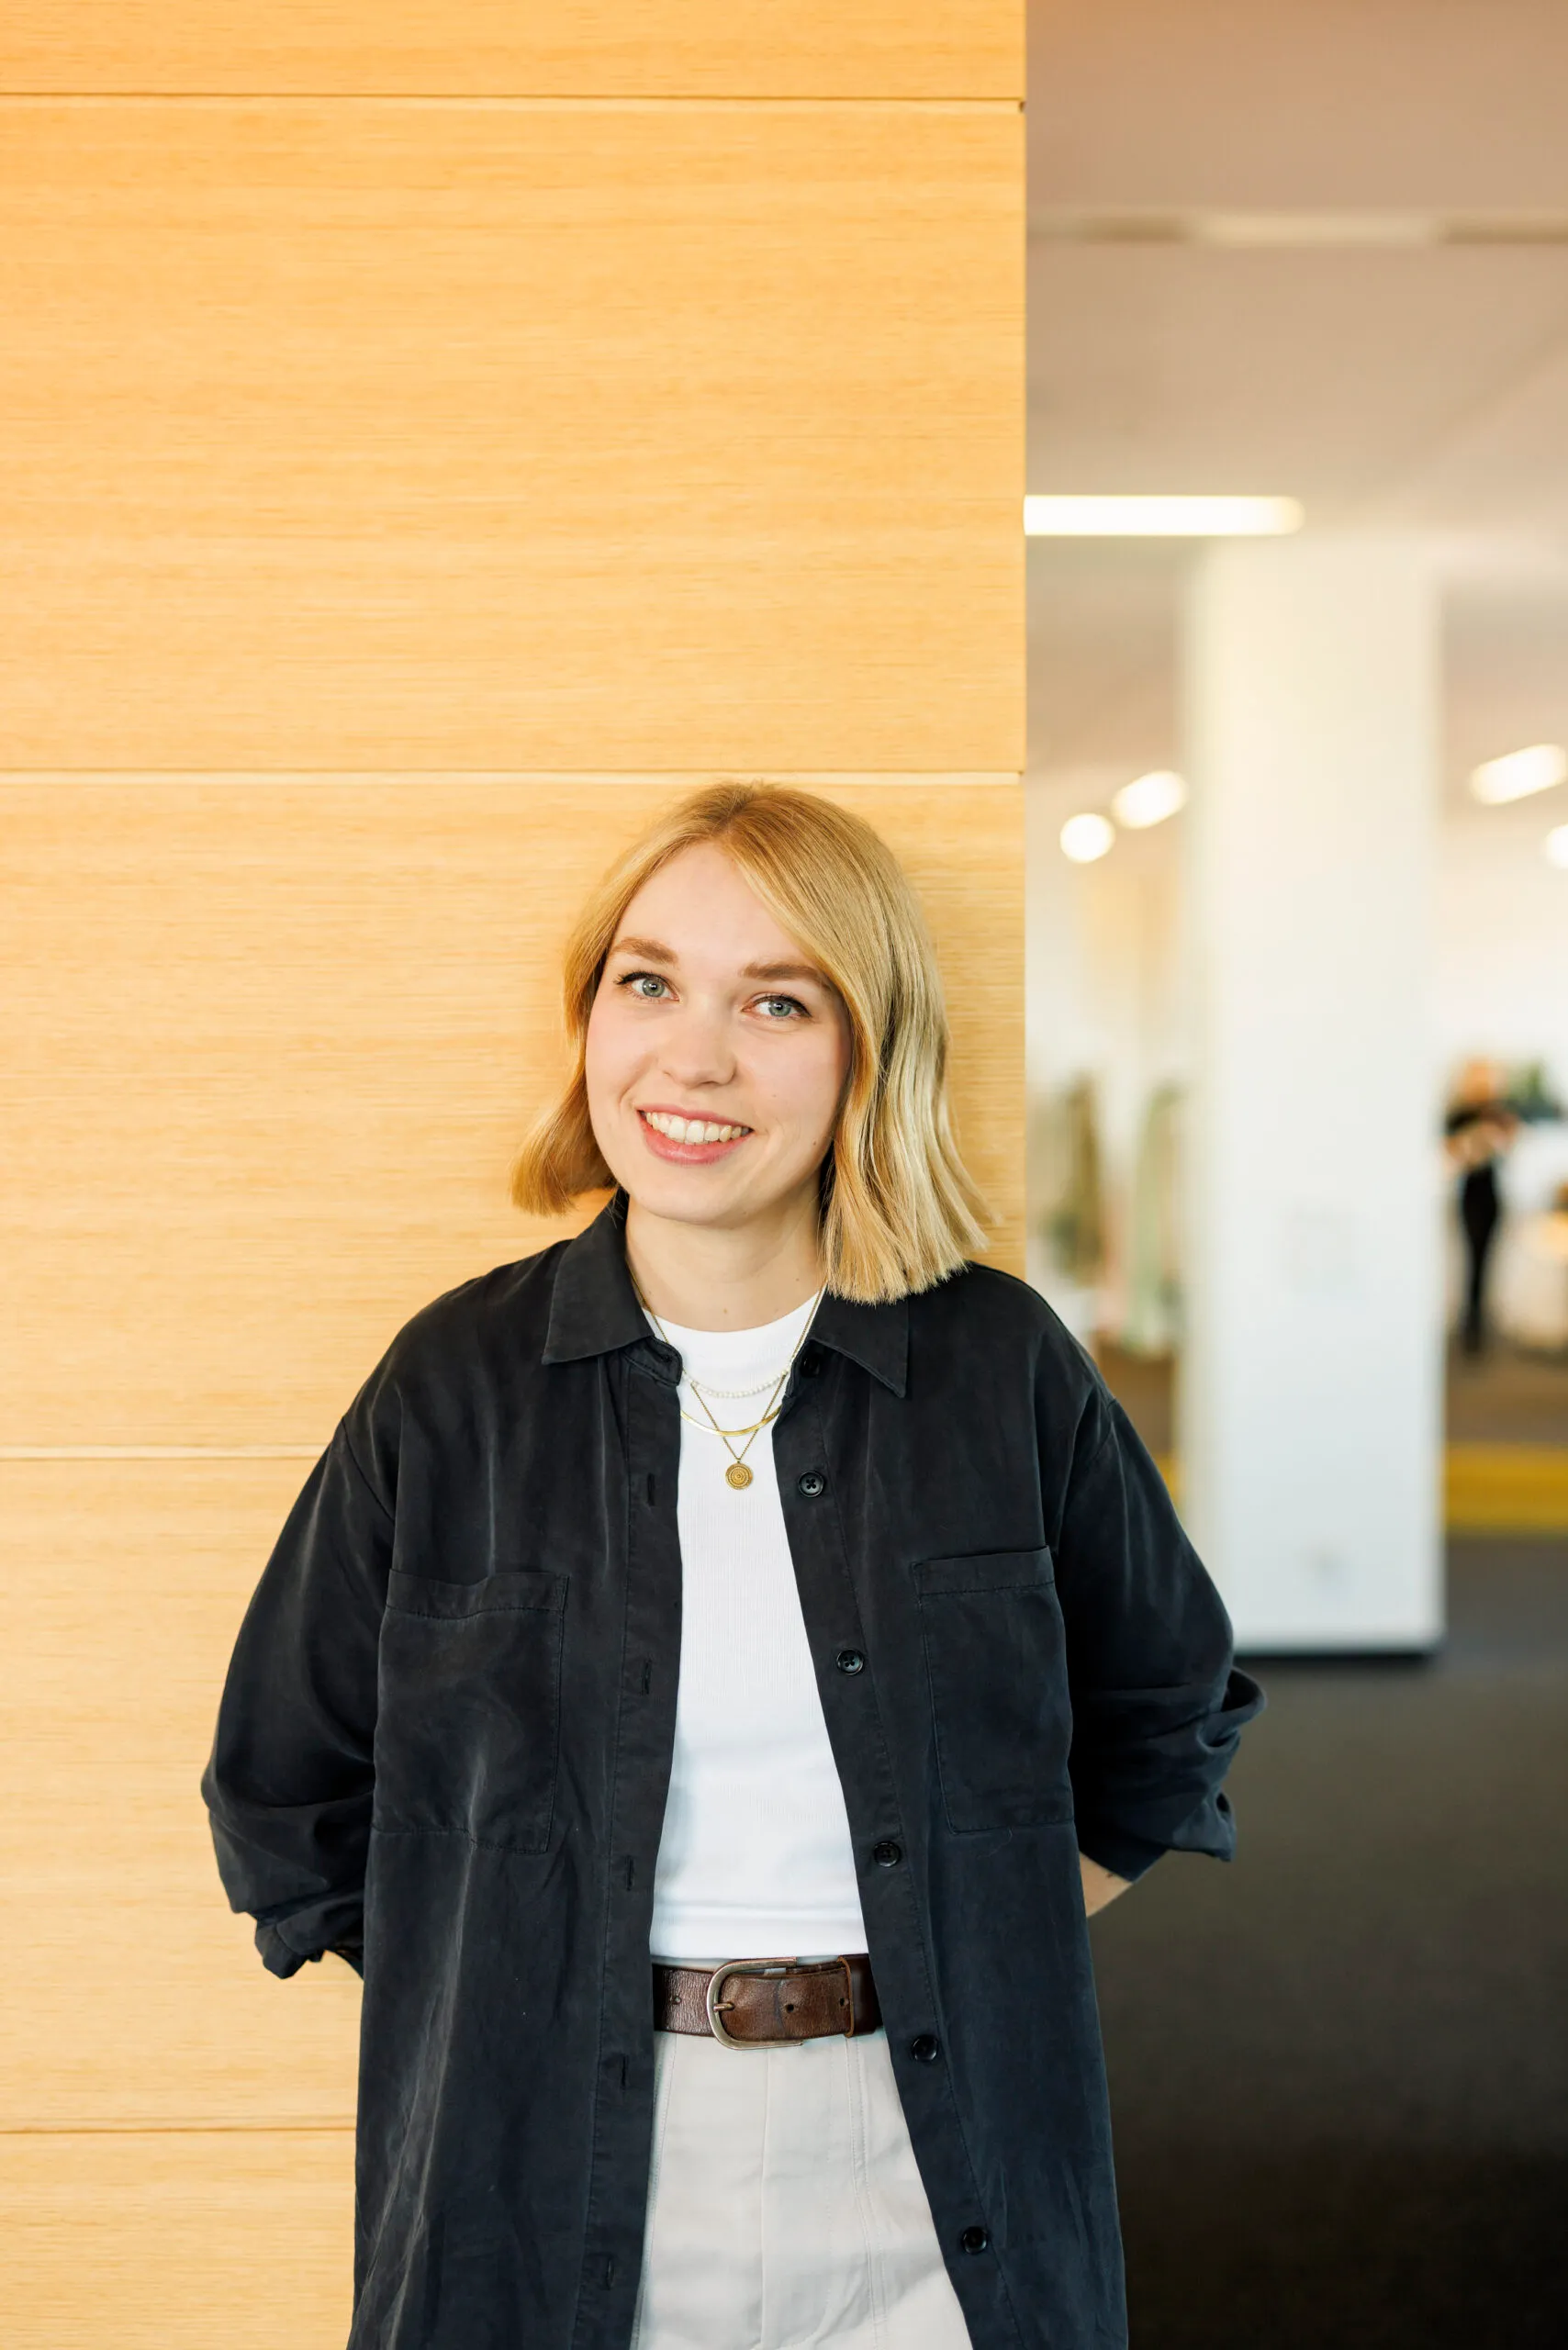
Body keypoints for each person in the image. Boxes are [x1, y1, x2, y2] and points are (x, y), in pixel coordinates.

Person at [201, 783, 1262, 2350]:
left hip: (934, 2152)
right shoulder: (456, 1383)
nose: (691, 1059)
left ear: (863, 1050)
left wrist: (981, 1930)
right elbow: (284, 1798)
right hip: (550, 2161)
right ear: (590, 1017)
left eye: (775, 1000)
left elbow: (1167, 1712)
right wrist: (515, 1978)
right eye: (649, 982)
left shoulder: (994, 1365)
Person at [1443, 1056, 1518, 1357]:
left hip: (1493, 1198)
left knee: (1487, 1263)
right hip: (1469, 1198)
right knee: (1470, 1263)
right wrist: (1476, 1143)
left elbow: (1510, 1149)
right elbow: (1452, 1156)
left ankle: (1481, 1324)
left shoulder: (1499, 1114)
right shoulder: (1459, 1115)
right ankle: (1470, 1328)